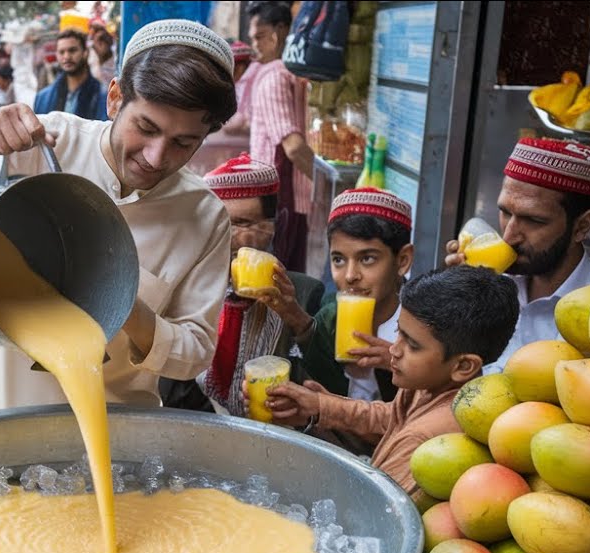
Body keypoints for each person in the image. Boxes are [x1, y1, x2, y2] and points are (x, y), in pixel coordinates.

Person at [0, 18, 237, 418]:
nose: (155, 157)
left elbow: (195, 352)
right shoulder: (48, 143)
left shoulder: (203, 215)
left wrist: (124, 305)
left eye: (183, 143)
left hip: (110, 429)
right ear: (115, 98)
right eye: (146, 128)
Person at [264, 265, 521, 494]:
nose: (394, 350)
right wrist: (322, 406)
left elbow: (372, 505)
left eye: (413, 345)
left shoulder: (424, 441)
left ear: (463, 366)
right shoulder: (431, 385)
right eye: (399, 332)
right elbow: (390, 417)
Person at [161, 153, 324, 415]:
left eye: (244, 224)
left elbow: (322, 385)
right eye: (221, 224)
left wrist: (295, 316)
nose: (234, 237)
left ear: (272, 227)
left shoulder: (305, 294)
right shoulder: (188, 291)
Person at [444, 138, 590, 373]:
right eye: (505, 212)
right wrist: (453, 298)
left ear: (582, 226)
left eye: (534, 220)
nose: (509, 236)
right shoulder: (493, 278)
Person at [298, 188, 414, 403]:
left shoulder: (426, 328)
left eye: (367, 259)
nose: (350, 276)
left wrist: (402, 365)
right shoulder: (329, 319)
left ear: (403, 260)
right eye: (339, 260)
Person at [248, 1, 313, 273]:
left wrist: (324, 184)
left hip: (284, 195)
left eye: (260, 37)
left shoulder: (276, 76)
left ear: (279, 32)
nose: (255, 45)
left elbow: (293, 147)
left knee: (280, 274)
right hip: (284, 196)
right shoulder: (284, 75)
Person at [33, 29, 107, 120]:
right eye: (62, 52)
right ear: (57, 55)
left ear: (85, 52)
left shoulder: (102, 96)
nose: (67, 57)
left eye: (72, 50)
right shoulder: (43, 98)